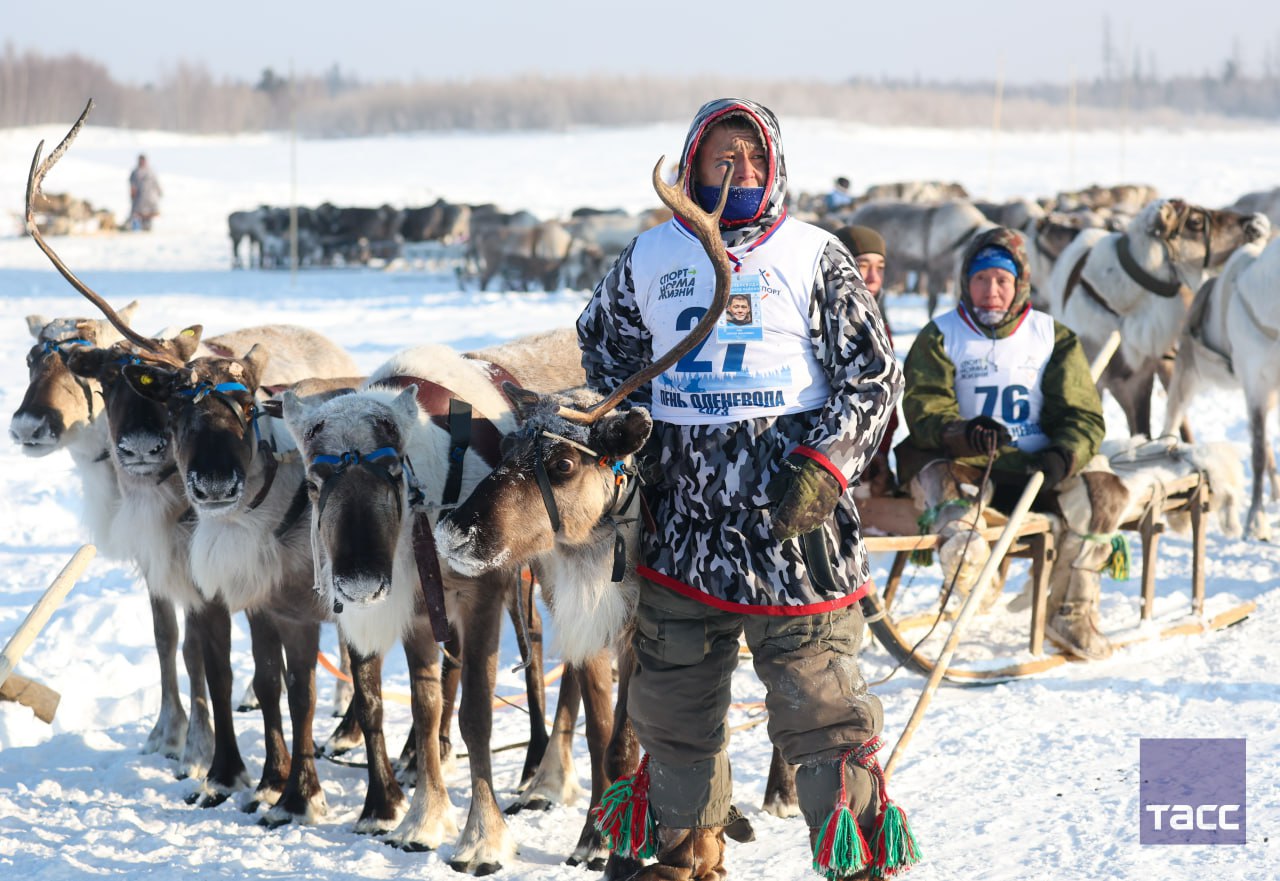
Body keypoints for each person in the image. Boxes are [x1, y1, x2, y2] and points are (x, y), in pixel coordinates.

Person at [578, 98, 916, 881]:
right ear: (692, 162)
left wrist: (826, 466)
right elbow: (604, 355)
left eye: (755, 158)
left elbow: (873, 376)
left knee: (823, 714)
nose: (740, 172)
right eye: (722, 157)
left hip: (796, 540)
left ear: (777, 165)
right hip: (682, 536)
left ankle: (856, 861)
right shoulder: (649, 258)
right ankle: (685, 856)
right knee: (672, 716)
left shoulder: (812, 254)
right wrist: (632, 431)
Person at [896, 227, 1125, 660]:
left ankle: (1070, 611)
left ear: (1020, 283)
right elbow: (924, 406)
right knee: (947, 504)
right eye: (981, 280)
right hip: (965, 465)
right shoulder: (941, 335)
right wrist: (962, 432)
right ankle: (970, 579)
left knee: (1103, 491)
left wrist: (1065, 452)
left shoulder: (1051, 336)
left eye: (1002, 280)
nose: (991, 292)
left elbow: (1081, 413)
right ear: (966, 281)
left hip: (1036, 468)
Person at [835, 225, 896, 494]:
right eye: (862, 265)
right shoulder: (820, 319)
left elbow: (888, 393)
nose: (873, 278)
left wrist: (879, 452)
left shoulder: (878, 320)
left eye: (880, 267)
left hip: (867, 458)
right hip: (828, 459)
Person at [127, 154, 162, 231]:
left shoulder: (150, 171)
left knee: (148, 213)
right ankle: (136, 227)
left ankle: (147, 226)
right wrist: (132, 193)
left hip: (150, 196)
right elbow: (132, 184)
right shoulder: (135, 172)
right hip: (140, 196)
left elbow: (155, 182)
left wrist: (159, 191)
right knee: (139, 213)